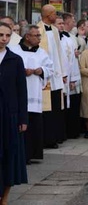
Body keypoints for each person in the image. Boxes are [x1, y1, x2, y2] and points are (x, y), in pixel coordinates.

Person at [10, 25, 53, 164]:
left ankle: (32, 153)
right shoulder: (14, 51)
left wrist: (41, 70)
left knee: (33, 123)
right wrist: (22, 71)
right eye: (36, 35)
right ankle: (19, 154)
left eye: (39, 35)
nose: (39, 38)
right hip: (18, 94)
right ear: (27, 36)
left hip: (35, 93)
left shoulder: (42, 52)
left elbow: (50, 68)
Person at [0, 22, 28, 204]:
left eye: (7, 35)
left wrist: (23, 118)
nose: (3, 38)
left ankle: (5, 198)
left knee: (9, 156)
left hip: (9, 115)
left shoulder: (15, 60)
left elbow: (21, 90)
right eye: (1, 34)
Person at [36, 5, 67, 149]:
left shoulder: (55, 30)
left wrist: (63, 73)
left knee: (55, 108)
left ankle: (54, 137)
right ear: (48, 15)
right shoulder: (37, 30)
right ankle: (44, 139)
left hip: (56, 75)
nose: (56, 16)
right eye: (55, 13)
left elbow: (59, 53)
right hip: (44, 75)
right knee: (45, 109)